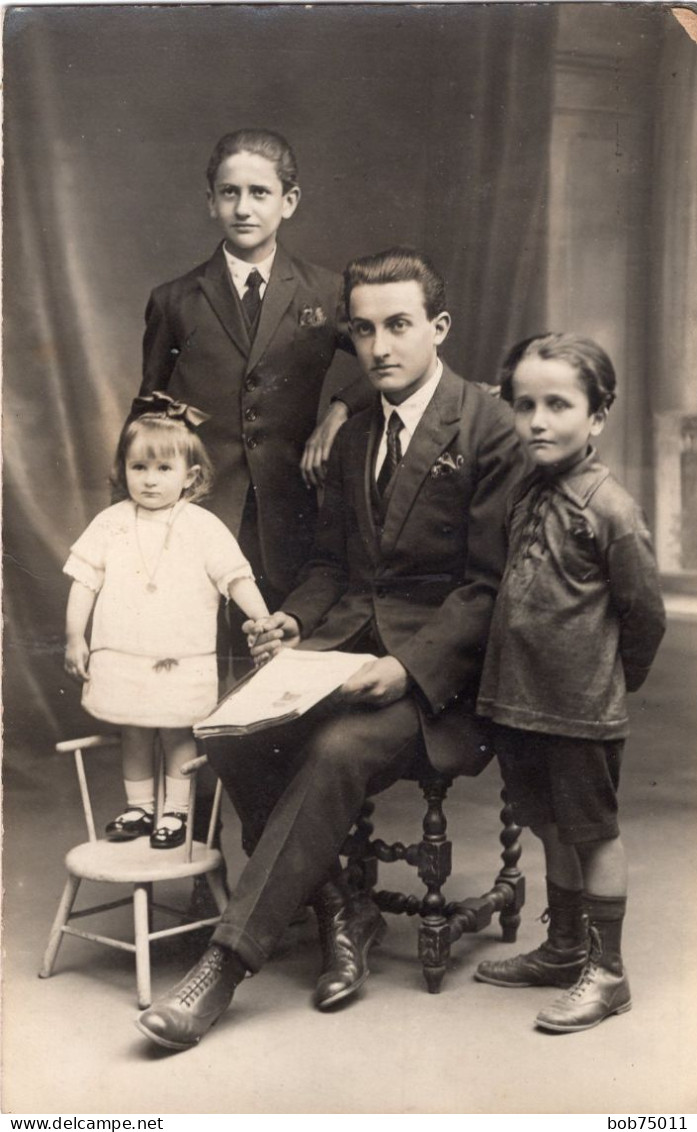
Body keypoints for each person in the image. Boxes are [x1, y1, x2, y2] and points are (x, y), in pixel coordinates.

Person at [135, 246, 524, 1051]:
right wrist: (293, 627)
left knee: (337, 750)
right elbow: (329, 568)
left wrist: (408, 668)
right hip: (344, 650)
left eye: (399, 325)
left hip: (441, 684)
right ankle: (338, 905)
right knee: (226, 730)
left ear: (437, 328)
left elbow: (488, 589)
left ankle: (222, 966)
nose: (379, 346)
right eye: (363, 329)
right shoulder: (355, 437)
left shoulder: (487, 430)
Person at [473, 333, 666, 1032]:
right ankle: (561, 950)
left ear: (597, 414)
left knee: (592, 832)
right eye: (524, 404)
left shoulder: (608, 507)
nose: (537, 421)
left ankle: (607, 972)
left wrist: (609, 683)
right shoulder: (529, 488)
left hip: (578, 708)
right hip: (520, 701)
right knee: (547, 822)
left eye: (558, 404)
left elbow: (642, 612)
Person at [140, 127, 369, 615]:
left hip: (290, 511)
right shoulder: (175, 300)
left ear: (289, 201)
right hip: (197, 509)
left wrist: (340, 409)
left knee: (270, 650)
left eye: (259, 193)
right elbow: (147, 413)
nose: (244, 208)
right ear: (211, 202)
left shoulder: (326, 293)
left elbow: (388, 362)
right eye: (230, 193)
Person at [63, 394, 269, 849]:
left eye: (163, 469)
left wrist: (264, 619)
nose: (150, 481)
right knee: (134, 731)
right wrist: (75, 635)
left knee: (177, 734)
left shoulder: (202, 525)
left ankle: (174, 812)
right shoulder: (110, 522)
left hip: (180, 656)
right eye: (139, 468)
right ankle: (139, 806)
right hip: (123, 654)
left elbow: (236, 578)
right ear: (123, 471)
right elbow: (84, 580)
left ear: (190, 476)